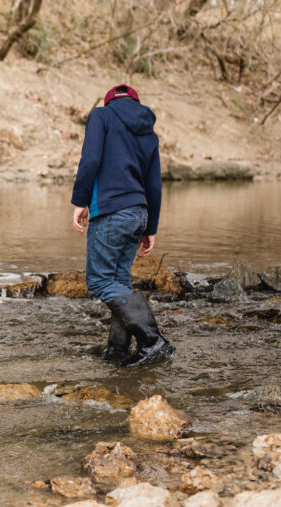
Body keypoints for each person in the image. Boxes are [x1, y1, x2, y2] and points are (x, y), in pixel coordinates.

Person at [71, 84, 173, 367]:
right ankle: (117, 353)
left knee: (99, 280)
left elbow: (90, 159)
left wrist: (80, 201)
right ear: (135, 103)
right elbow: (154, 182)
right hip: (138, 212)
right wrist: (150, 226)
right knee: (118, 283)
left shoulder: (101, 116)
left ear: (109, 101)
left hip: (111, 210)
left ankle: (153, 341)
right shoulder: (149, 132)